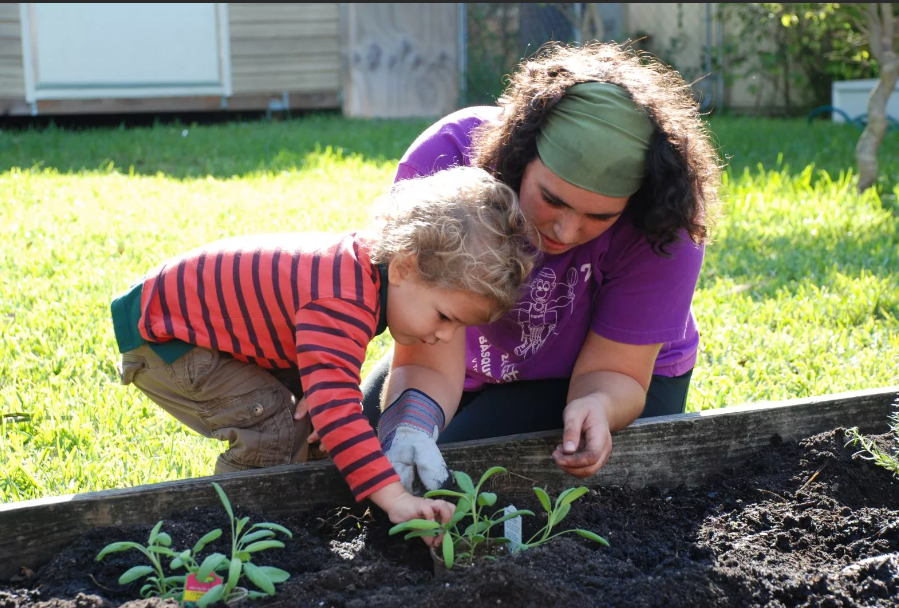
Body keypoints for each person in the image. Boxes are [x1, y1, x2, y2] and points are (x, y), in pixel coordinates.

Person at [357, 41, 722, 492]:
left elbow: (618, 372)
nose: (566, 232)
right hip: (472, 354)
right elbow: (429, 358)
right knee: (371, 452)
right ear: (520, 157)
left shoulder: (665, 224)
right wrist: (411, 427)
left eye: (600, 217)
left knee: (454, 480)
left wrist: (598, 407)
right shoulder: (449, 159)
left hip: (612, 378)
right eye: (551, 199)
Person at [109, 165, 537, 542]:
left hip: (197, 330)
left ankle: (290, 509)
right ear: (406, 266)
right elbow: (338, 411)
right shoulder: (345, 298)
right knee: (273, 423)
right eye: (445, 316)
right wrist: (395, 499)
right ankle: (230, 529)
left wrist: (326, 406)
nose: (446, 337)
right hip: (166, 339)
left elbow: (326, 391)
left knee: (311, 420)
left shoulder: (366, 275)